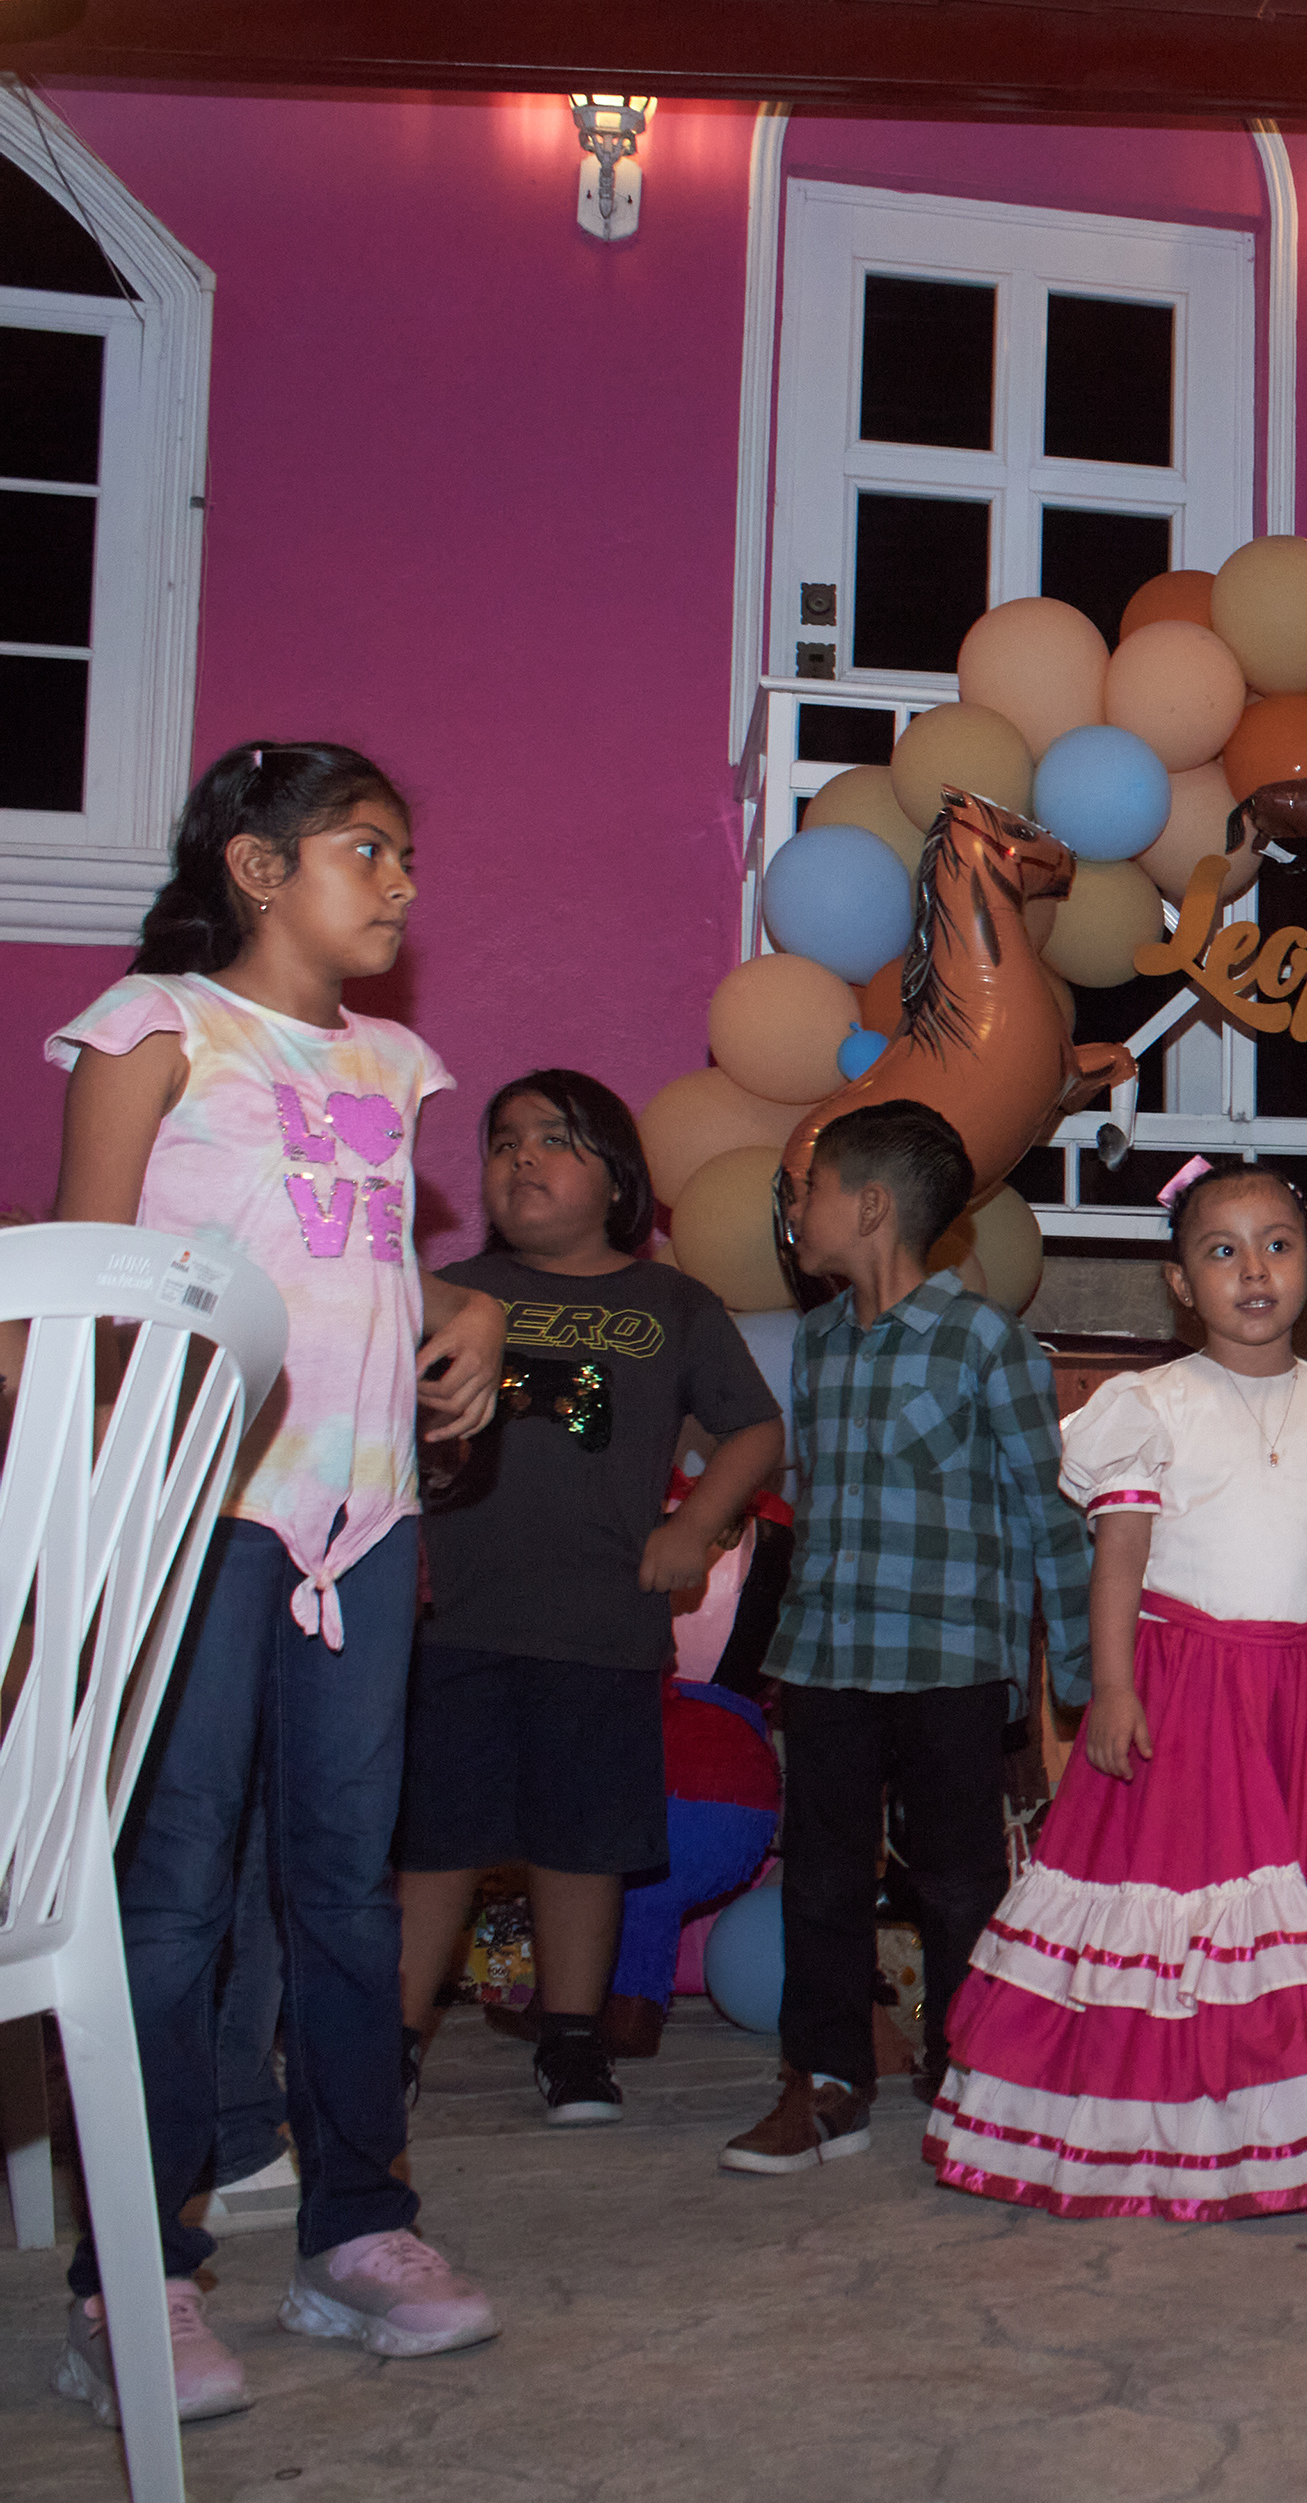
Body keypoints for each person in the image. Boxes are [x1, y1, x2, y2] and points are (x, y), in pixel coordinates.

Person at [44, 740, 510, 2426]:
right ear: (256, 866)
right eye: (364, 849)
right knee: (174, 1890)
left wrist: (468, 1309)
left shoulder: (390, 1064)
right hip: (201, 1516)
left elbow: (351, 1256)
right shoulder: (155, 1030)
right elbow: (83, 1280)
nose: (400, 881)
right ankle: (135, 2269)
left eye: (405, 853)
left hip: (362, 1523)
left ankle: (356, 2226)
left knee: (345, 1889)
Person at [924, 1157, 1307, 2214]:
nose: (1254, 1270)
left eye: (1277, 1245)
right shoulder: (1150, 1407)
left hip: (1304, 1703)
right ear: (1181, 1284)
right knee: (1180, 1912)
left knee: (1306, 1912)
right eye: (1222, 1251)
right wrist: (1111, 1687)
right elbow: (1118, 1564)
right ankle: (1158, 2135)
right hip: (1184, 1699)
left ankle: (1293, 2136)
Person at [396, 1071, 783, 2125]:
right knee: (434, 1843)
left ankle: (573, 2042)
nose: (522, 1155)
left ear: (618, 1179)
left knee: (583, 1846)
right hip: (452, 1618)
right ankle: (392, 2040)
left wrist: (694, 1528)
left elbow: (755, 1429)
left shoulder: (673, 1305)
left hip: (602, 1626)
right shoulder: (447, 1290)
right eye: (503, 1141)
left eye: (556, 1139)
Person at [723, 1099, 1090, 2176]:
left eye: (810, 1190)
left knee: (959, 1880)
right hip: (828, 1655)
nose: (795, 1210)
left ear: (872, 1206)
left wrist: (1078, 1669)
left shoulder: (987, 1343)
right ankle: (825, 2079)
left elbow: (1048, 1513)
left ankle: (971, 2070)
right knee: (819, 1878)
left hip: (949, 1662)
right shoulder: (820, 1341)